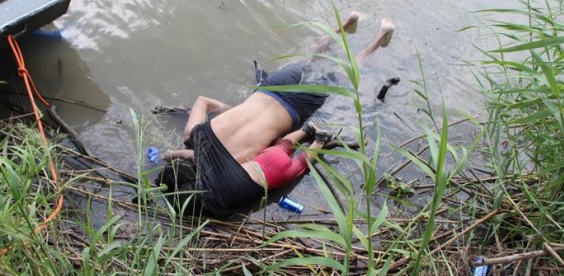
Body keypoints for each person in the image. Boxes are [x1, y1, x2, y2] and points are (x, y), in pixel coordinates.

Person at [157, 15, 395, 217]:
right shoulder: (193, 133)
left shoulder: (236, 167)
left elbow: (274, 154)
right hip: (271, 88)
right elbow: (202, 101)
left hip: (294, 108)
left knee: (344, 73)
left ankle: (380, 36)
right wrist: (237, 111)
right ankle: (346, 23)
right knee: (310, 58)